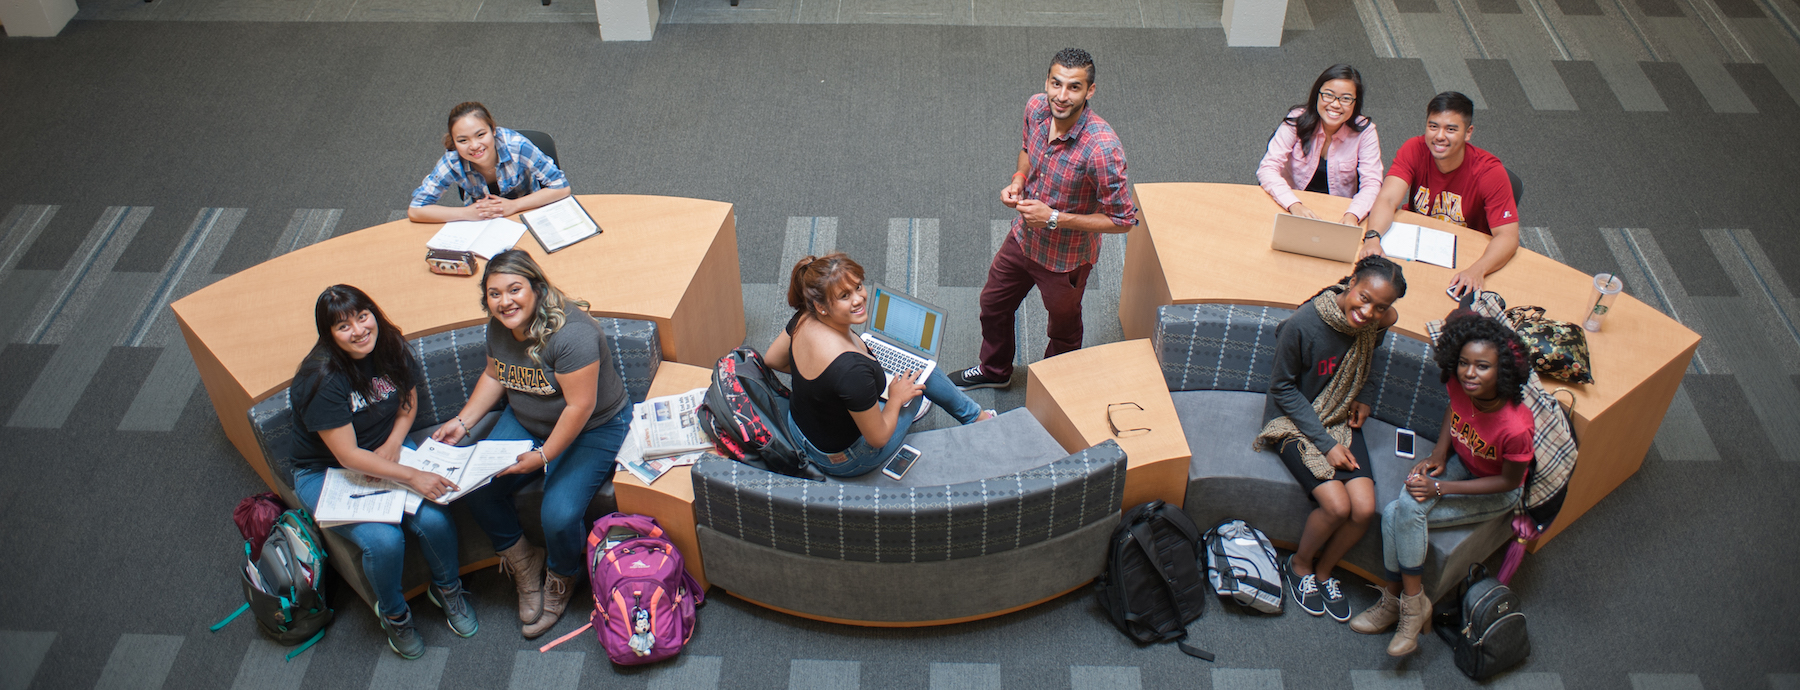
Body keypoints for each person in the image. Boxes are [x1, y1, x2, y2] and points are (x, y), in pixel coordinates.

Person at [430, 250, 631, 639]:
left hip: (593, 426)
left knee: (558, 514)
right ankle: (524, 560)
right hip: (527, 417)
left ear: (536, 288)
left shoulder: (573, 334)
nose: (504, 302)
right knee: (477, 487)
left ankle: (562, 576)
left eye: (514, 289)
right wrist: (462, 422)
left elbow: (579, 406)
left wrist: (542, 456)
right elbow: (494, 374)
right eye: (494, 294)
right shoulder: (498, 326)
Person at [287, 285, 477, 660]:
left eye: (362, 316)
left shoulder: (389, 344)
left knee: (436, 517)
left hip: (383, 450)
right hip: (327, 471)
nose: (358, 331)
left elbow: (408, 399)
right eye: (343, 326)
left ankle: (447, 590)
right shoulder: (321, 377)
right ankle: (394, 615)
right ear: (329, 335)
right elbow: (346, 455)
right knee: (384, 541)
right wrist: (408, 475)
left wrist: (394, 443)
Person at [948, 48, 1137, 390]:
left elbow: (1123, 220)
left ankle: (1053, 389)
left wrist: (1053, 218)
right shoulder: (1036, 107)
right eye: (1056, 83)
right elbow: (1026, 150)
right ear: (1047, 82)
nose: (1061, 96)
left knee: (1062, 330)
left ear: (1089, 91)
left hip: (1065, 260)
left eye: (1074, 87)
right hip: (1022, 238)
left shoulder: (1102, 149)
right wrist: (1019, 179)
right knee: (992, 304)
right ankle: (994, 370)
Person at [1351, 311, 1533, 656]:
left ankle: (1403, 605)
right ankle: (1407, 603)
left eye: (1482, 366)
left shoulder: (1516, 426)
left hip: (1495, 490)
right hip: (1461, 463)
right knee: (1396, 511)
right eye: (1464, 362)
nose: (1469, 373)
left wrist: (1441, 488)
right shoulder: (1461, 385)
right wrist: (1438, 452)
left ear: (1503, 370)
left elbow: (1509, 481)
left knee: (1400, 511)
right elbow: (1455, 408)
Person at [1253, 256, 1408, 623]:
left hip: (1339, 415)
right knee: (1338, 506)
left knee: (1364, 509)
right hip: (1292, 419)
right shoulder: (1303, 324)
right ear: (1351, 282)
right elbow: (1282, 389)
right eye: (1364, 298)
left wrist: (1365, 395)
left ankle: (1325, 574)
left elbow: (1368, 359)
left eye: (1381, 307)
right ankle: (1301, 566)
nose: (1368, 312)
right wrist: (1326, 444)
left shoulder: (1378, 321)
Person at [764, 253, 997, 478]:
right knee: (921, 375)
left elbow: (772, 359)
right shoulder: (852, 370)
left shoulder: (803, 317)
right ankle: (978, 419)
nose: (858, 299)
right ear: (822, 306)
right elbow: (878, 439)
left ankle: (973, 417)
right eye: (844, 296)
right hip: (845, 459)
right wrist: (895, 399)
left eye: (857, 287)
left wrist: (822, 387)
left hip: (800, 430)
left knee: (911, 371)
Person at [1359, 91, 1520, 298]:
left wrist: (1478, 270)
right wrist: (1373, 237)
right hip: (1414, 243)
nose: (1439, 136)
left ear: (1468, 133)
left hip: (1463, 255)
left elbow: (1508, 236)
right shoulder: (1414, 149)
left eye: (1451, 129)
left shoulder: (1489, 172)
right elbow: (1387, 199)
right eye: (1433, 126)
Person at [1256, 63, 1384, 226]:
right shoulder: (1297, 120)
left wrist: (1353, 215)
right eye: (1328, 95)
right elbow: (1268, 168)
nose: (1336, 104)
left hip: (1339, 212)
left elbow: (1372, 183)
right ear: (1317, 95)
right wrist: (1294, 205)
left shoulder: (1365, 132)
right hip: (1291, 203)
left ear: (1355, 103)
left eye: (1346, 99)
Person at [408, 101, 572, 223]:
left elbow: (562, 187)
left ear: (493, 130)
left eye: (480, 135)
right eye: (463, 140)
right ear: (454, 142)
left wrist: (513, 206)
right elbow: (416, 209)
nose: (474, 146)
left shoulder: (516, 145)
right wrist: (466, 214)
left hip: (527, 208)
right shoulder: (452, 160)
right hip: (482, 219)